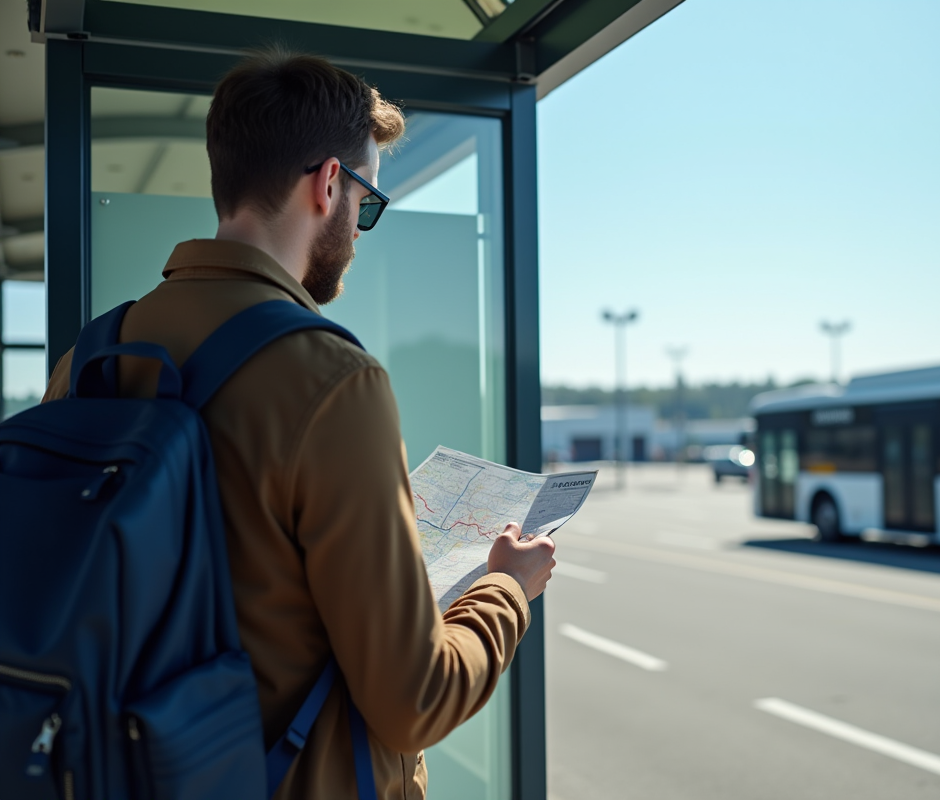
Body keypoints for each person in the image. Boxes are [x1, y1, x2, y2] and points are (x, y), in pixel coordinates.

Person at [42, 49, 555, 800]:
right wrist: (507, 589)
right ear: (328, 184)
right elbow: (414, 699)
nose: (360, 230)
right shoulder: (332, 380)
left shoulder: (89, 356)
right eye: (368, 204)